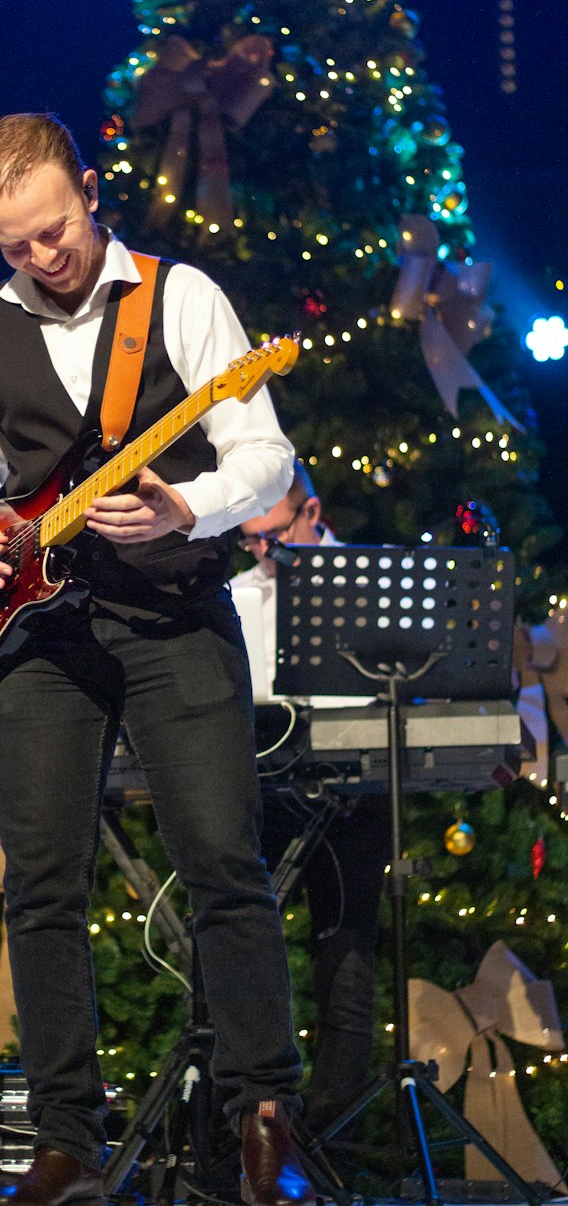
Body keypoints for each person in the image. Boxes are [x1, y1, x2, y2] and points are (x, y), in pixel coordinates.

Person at [0, 112, 317, 1206]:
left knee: (220, 864)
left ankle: (263, 1123)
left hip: (173, 613)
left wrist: (186, 505)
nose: (41, 257)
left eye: (53, 230)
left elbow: (265, 454)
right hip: (39, 634)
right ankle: (67, 1148)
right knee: (40, 885)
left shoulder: (180, 298)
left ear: (89, 191)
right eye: (14, 244)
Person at [229, 462, 390, 1138]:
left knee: (346, 953)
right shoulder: (234, 594)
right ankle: (242, 1130)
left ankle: (332, 1134)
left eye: (274, 536)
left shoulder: (372, 584)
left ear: (312, 511)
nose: (263, 553)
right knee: (237, 947)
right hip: (265, 793)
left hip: (353, 795)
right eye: (251, 541)